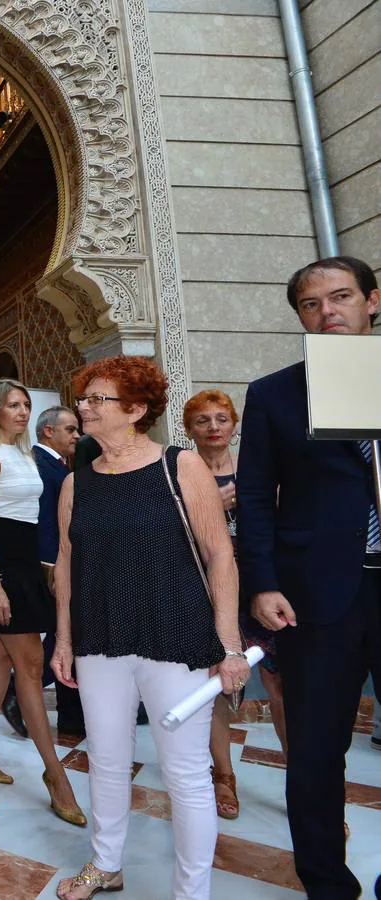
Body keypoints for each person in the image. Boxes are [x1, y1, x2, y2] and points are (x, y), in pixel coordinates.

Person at [51, 356, 249, 900]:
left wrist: (229, 645)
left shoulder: (180, 467)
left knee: (185, 774)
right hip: (100, 638)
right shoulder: (76, 485)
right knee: (107, 760)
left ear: (136, 409)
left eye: (98, 400)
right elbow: (68, 565)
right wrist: (65, 639)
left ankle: (192, 892)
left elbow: (220, 557)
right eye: (84, 398)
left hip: (177, 634)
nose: (85, 408)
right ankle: (105, 864)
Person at [237, 256, 381, 898]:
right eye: (312, 305)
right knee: (318, 751)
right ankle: (326, 883)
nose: (329, 313)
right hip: (320, 597)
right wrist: (263, 582)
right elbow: (258, 499)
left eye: (342, 297)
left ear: (372, 302)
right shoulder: (273, 394)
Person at [0, 381, 85, 827]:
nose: (21, 411)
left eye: (26, 405)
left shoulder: (26, 454)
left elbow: (36, 514)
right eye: (13, 405)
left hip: (28, 564)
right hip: (4, 567)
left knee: (0, 661)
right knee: (30, 667)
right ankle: (56, 776)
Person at [184, 389, 285, 822]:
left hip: (261, 586)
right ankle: (224, 776)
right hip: (206, 588)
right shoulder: (181, 476)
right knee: (217, 686)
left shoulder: (257, 473)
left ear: (234, 424)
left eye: (221, 419)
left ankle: (304, 780)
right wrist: (208, 507)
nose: (213, 428)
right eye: (203, 420)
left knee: (282, 684)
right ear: (189, 429)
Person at [33, 405, 85, 738]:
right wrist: (52, 569)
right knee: (63, 634)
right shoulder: (44, 468)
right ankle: (18, 686)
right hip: (53, 567)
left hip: (60, 565)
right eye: (70, 429)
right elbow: (45, 524)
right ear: (48, 431)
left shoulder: (56, 467)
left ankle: (71, 714)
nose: (77, 435)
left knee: (67, 635)